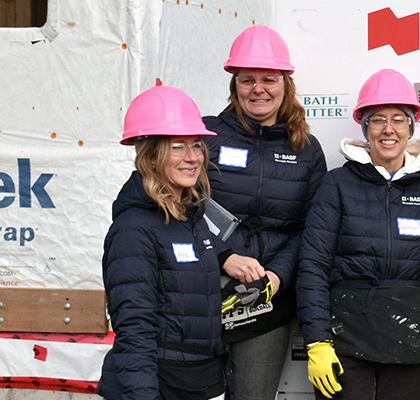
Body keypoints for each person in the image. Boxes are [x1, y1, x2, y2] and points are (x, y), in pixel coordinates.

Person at [296, 68, 420, 400]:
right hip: (345, 339)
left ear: (411, 127)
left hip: (414, 341)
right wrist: (317, 341)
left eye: (398, 118)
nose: (388, 129)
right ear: (364, 127)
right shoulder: (336, 184)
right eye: (377, 119)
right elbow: (312, 267)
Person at [202, 24, 327, 400]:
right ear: (234, 84)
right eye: (247, 79)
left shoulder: (306, 148)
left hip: (265, 299)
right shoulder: (206, 136)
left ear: (285, 82)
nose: (258, 88)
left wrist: (277, 275)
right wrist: (224, 257)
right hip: (200, 288)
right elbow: (181, 209)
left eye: (268, 79)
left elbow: (312, 229)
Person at [99, 86, 227, 400]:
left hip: (200, 381)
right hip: (160, 384)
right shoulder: (134, 229)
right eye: (177, 147)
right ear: (151, 155)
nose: (193, 157)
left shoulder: (192, 219)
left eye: (196, 145)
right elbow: (135, 328)